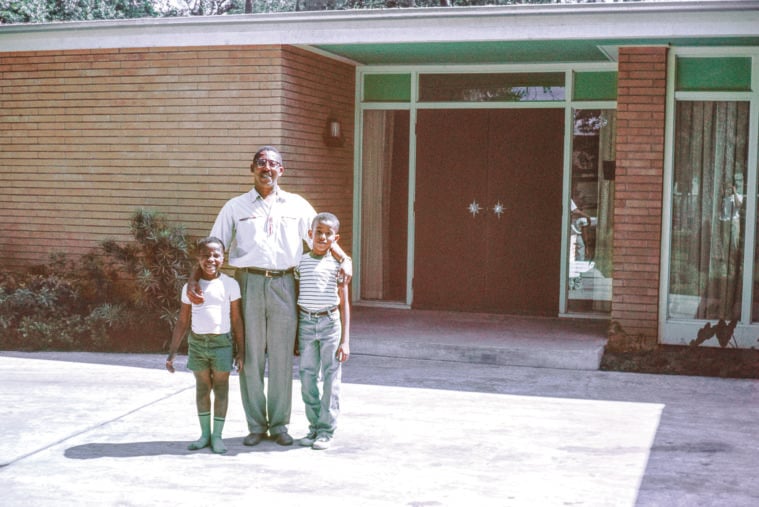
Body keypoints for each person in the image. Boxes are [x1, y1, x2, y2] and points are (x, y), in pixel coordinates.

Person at [187, 146, 351, 447]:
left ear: (281, 171)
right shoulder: (235, 207)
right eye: (261, 163)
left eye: (273, 164)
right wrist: (193, 279)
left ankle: (279, 425)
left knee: (280, 358)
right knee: (249, 356)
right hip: (247, 283)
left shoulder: (297, 205)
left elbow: (322, 234)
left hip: (285, 284)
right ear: (252, 168)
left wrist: (345, 259)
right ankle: (255, 425)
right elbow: (213, 247)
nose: (267, 168)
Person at [166, 236, 244, 455]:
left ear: (223, 257)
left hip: (222, 343)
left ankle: (217, 436)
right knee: (202, 389)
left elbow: (237, 320)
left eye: (216, 255)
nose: (211, 259)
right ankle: (204, 435)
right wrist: (172, 353)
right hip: (198, 344)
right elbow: (182, 321)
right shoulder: (190, 288)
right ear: (198, 258)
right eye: (206, 255)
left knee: (221, 389)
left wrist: (241, 352)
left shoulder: (230, 284)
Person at [295, 212, 351, 450]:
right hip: (306, 324)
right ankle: (314, 426)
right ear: (310, 234)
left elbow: (344, 303)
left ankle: (326, 431)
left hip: (330, 324)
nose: (323, 237)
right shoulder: (300, 263)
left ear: (335, 238)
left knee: (330, 377)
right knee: (307, 376)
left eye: (328, 234)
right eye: (318, 232)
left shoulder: (339, 266)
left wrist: (345, 340)